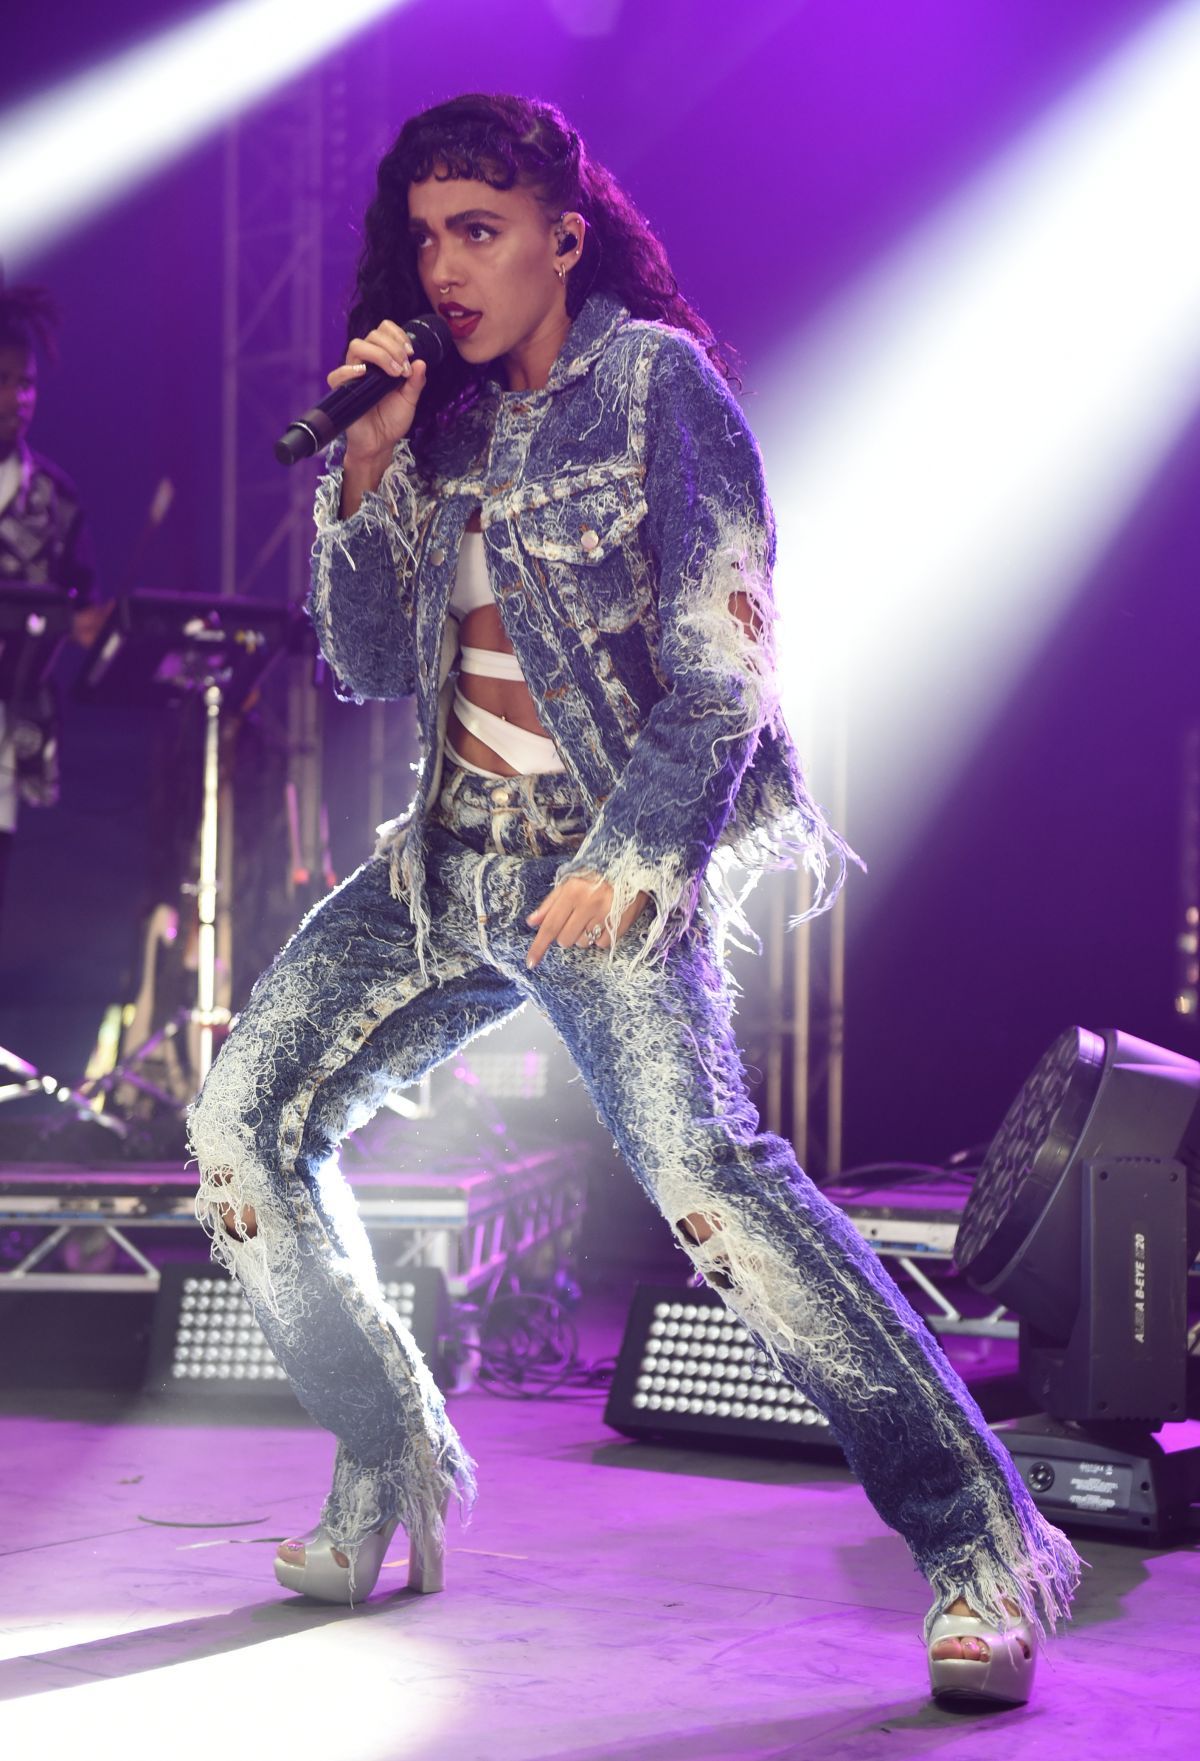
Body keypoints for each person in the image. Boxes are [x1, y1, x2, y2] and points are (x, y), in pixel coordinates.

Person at [189, 93, 1081, 1705]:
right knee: (239, 1130)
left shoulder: (659, 388)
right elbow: (369, 664)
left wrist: (636, 852)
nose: (443, 269)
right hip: (440, 865)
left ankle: (977, 1548)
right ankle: (391, 1455)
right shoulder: (441, 421)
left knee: (713, 1190)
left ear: (563, 236)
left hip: (600, 858)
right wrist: (368, 470)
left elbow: (726, 664)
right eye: (426, 237)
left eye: (478, 231)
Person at [0, 283, 101, 933]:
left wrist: (89, 625)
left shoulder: (57, 502)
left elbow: (80, 603)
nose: (18, 398)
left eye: (28, 383)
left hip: (7, 741)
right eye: (3, 381)